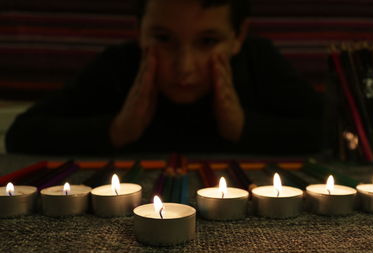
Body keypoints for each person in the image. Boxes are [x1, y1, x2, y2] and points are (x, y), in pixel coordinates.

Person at [5, 0, 325, 155]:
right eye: (163, 38)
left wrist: (244, 127)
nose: (184, 67)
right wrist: (116, 130)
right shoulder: (119, 66)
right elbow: (21, 134)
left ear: (238, 36)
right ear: (139, 31)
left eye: (207, 41)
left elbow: (331, 131)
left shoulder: (257, 61)